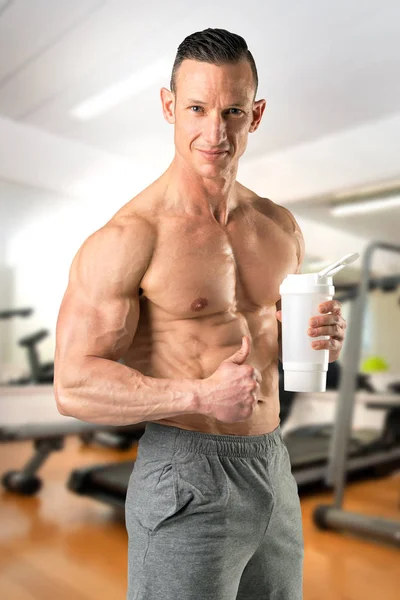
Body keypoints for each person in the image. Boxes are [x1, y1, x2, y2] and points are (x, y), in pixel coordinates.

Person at [54, 28, 347, 600]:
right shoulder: (130, 237)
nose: (215, 131)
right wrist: (197, 396)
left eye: (233, 111)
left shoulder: (279, 226)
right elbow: (72, 384)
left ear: (255, 114)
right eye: (197, 108)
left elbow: (275, 343)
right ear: (169, 107)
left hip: (273, 463)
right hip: (185, 471)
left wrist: (319, 338)